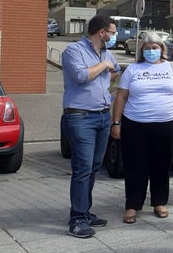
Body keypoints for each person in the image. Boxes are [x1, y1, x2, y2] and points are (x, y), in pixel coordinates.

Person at [110, 32, 173, 224]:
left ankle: (159, 202)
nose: (151, 51)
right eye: (147, 48)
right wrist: (116, 122)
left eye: (155, 47)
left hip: (167, 123)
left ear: (162, 49)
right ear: (142, 50)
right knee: (135, 166)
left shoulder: (172, 67)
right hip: (135, 124)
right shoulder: (132, 69)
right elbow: (121, 97)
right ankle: (132, 205)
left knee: (161, 165)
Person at [61, 15, 120, 238]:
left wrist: (108, 77)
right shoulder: (73, 51)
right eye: (112, 32)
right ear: (102, 32)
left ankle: (85, 211)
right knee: (83, 168)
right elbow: (80, 76)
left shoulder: (107, 53)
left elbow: (116, 72)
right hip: (80, 117)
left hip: (103, 116)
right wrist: (103, 66)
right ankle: (77, 219)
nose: (115, 37)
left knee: (94, 166)